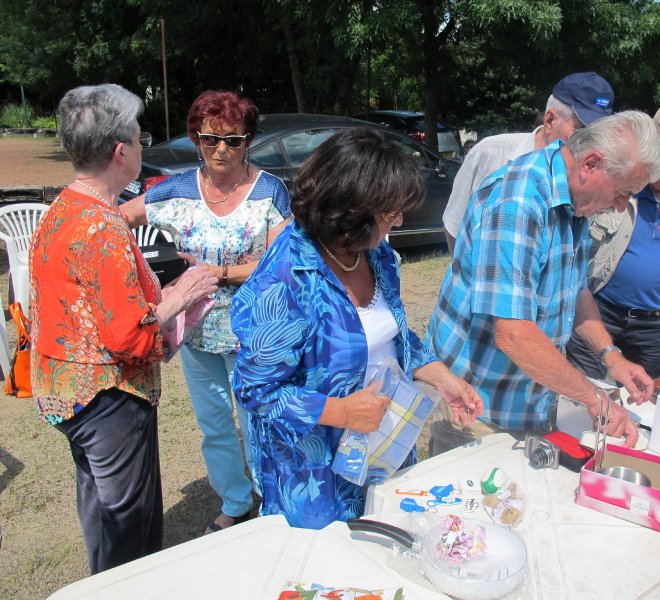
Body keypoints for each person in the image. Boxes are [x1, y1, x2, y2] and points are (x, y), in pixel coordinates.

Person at [230, 127, 483, 529]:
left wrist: (440, 377)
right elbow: (255, 392)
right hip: (315, 470)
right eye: (390, 212)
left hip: (381, 447)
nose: (398, 221)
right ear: (349, 210)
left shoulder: (374, 252)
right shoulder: (285, 280)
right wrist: (343, 411)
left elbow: (391, 334)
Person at [29, 84, 218, 573]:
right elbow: (129, 337)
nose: (142, 145)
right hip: (106, 397)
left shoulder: (61, 210)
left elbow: (81, 304)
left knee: (98, 504)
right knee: (127, 525)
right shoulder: (103, 227)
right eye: (139, 137)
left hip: (64, 391)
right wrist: (184, 294)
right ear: (121, 152)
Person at [426, 111, 660, 456]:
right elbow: (514, 333)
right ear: (591, 164)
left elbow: (575, 288)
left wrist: (612, 357)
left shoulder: (574, 197)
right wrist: (593, 397)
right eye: (622, 192)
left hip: (527, 396)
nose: (620, 205)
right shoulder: (518, 202)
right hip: (476, 402)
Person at [121, 90, 292, 535]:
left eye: (233, 141)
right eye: (209, 139)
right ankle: (235, 501)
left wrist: (222, 272)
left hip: (255, 332)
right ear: (195, 138)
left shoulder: (270, 190)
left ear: (248, 140)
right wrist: (136, 279)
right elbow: (112, 220)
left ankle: (269, 496)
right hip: (196, 336)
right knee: (214, 424)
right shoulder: (177, 189)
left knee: (258, 420)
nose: (221, 150)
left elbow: (283, 263)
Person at [565, 99, 660, 380]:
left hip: (655, 324)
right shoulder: (618, 178)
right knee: (582, 394)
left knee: (646, 403)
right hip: (598, 310)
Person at [442, 71, 615, 253]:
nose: (591, 146)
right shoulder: (491, 154)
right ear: (550, 120)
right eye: (581, 132)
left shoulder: (594, 178)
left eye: (598, 136)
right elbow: (454, 225)